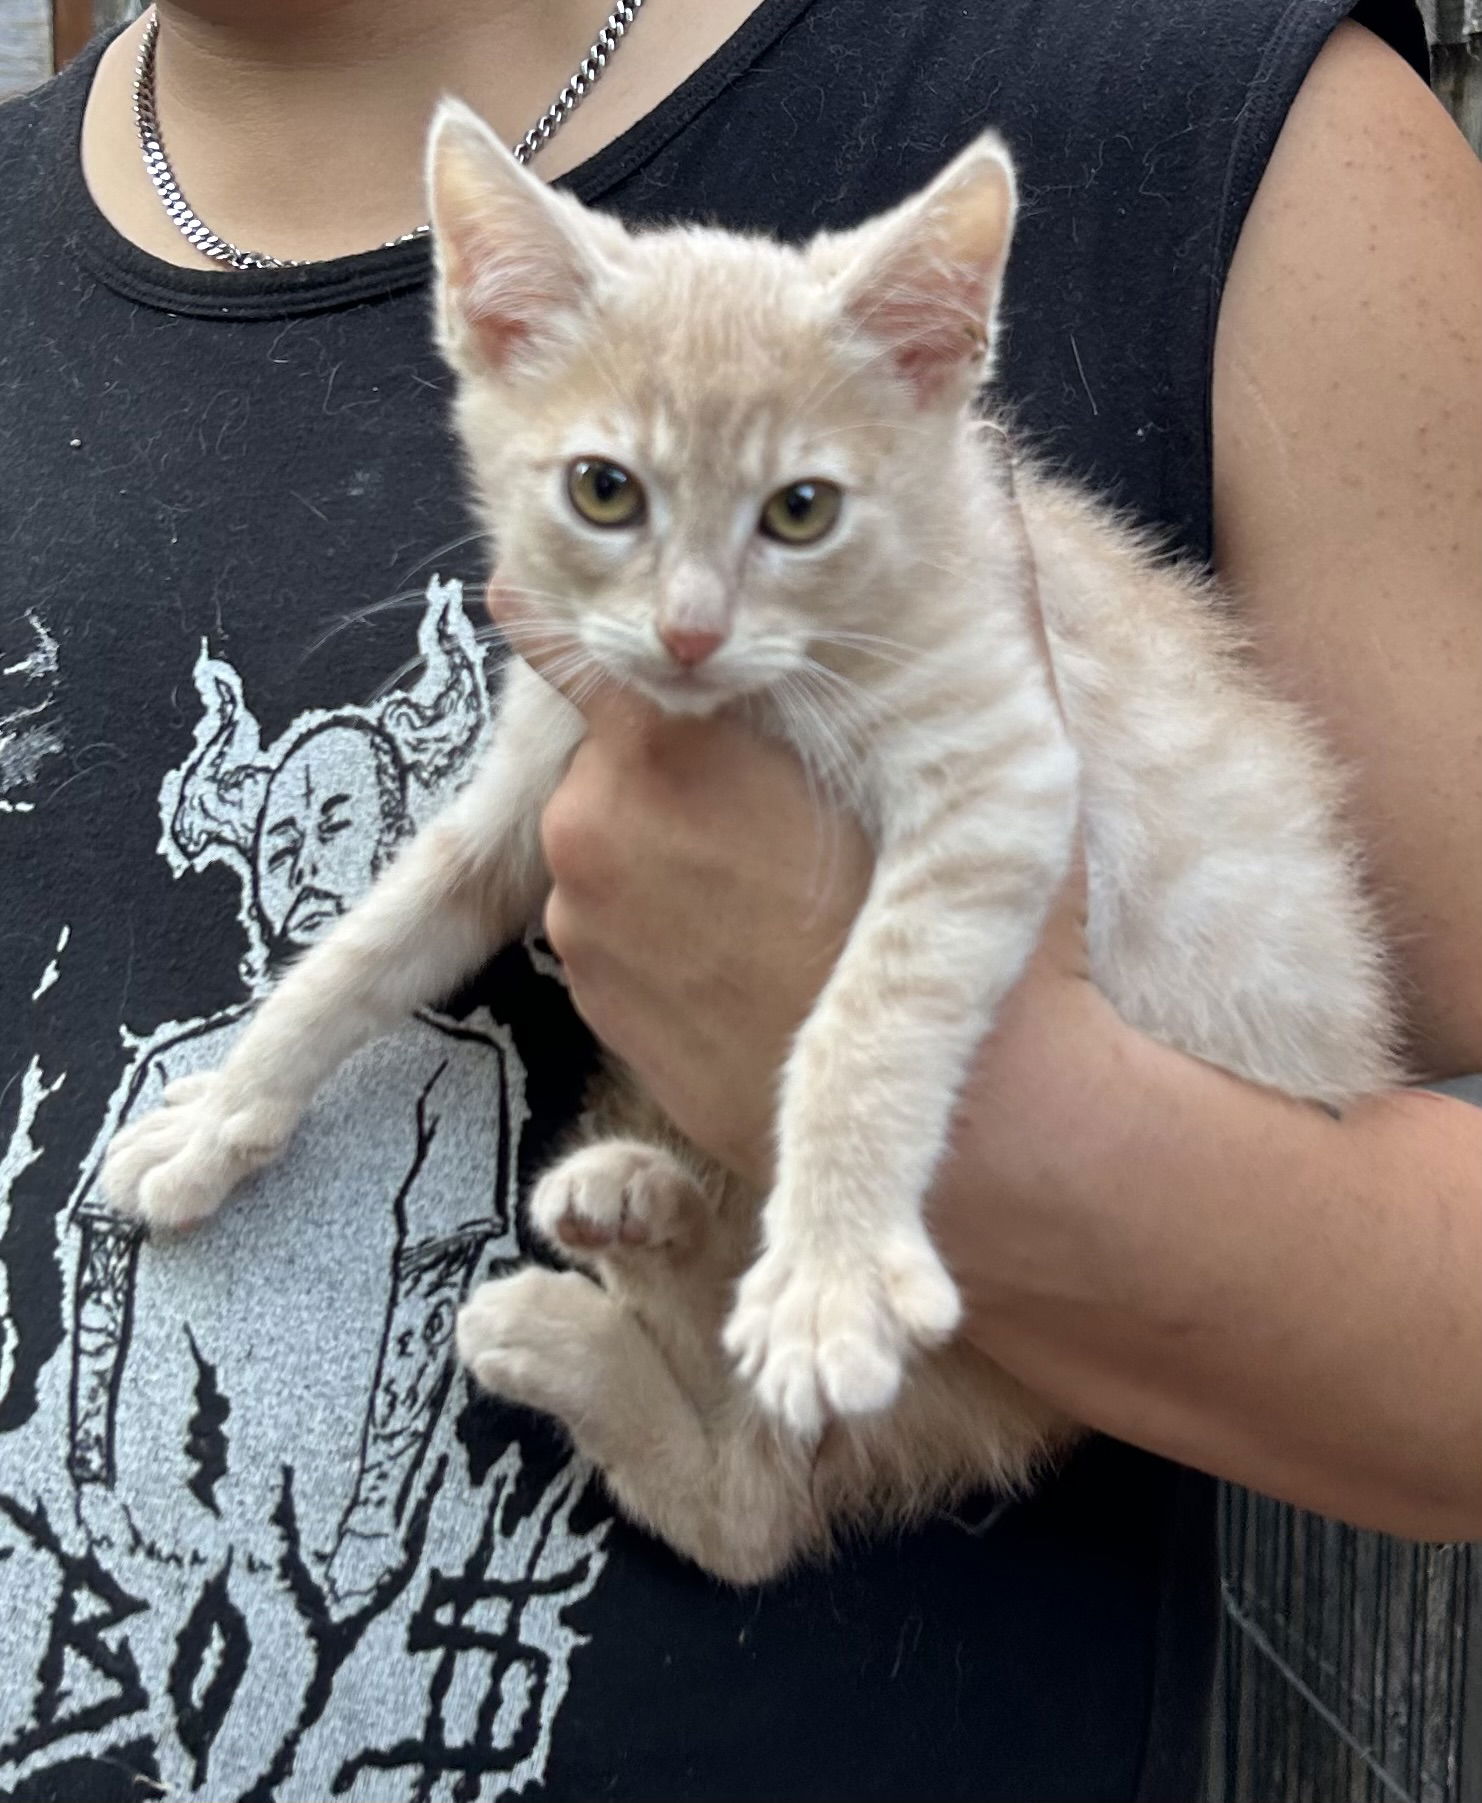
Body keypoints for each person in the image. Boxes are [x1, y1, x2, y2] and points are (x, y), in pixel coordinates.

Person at [0, 1, 1477, 1798]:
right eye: (607, 494)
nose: (688, 621)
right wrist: (247, 1096)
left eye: (779, 517)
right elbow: (465, 867)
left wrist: (1011, 1139)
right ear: (491, 320)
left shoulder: (1207, 113)